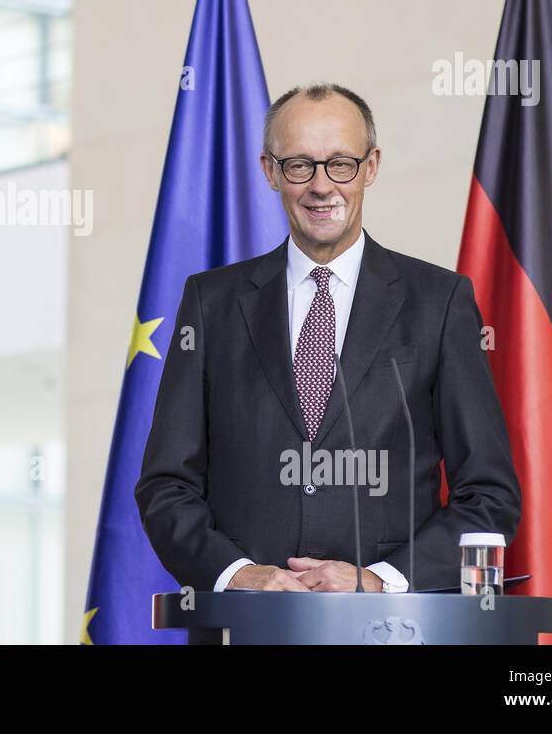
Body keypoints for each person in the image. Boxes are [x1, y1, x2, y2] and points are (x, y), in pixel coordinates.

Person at [136, 83, 521, 605]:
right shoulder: (210, 303)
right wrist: (239, 575)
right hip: (245, 629)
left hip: (391, 632)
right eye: (299, 165)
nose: (322, 186)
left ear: (371, 167)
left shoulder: (440, 301)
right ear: (270, 171)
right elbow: (166, 486)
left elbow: (489, 495)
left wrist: (380, 579)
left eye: (340, 163)